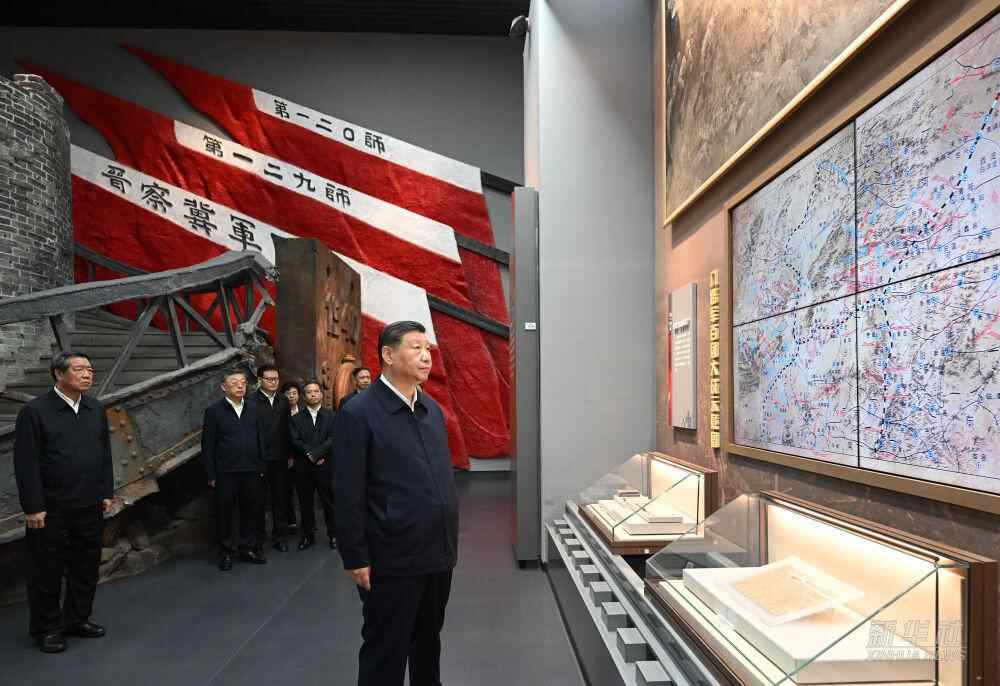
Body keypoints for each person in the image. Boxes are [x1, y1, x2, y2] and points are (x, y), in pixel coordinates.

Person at [334, 321, 458, 686]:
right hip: (391, 557)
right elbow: (348, 490)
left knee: (428, 642)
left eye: (427, 349)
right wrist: (355, 555)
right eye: (415, 348)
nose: (426, 356)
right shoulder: (359, 412)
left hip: (437, 552)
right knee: (386, 648)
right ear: (388, 355)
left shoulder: (431, 410)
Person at [13, 351, 114, 653]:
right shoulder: (35, 411)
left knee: (86, 566)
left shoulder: (95, 408)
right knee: (47, 571)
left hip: (90, 502)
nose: (87, 374)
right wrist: (33, 507)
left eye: (90, 369)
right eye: (79, 369)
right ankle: (47, 628)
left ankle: (77, 619)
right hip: (51, 508)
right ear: (59, 374)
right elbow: (26, 463)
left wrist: (106, 491)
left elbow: (105, 454)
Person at [201, 368, 268, 571]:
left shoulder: (254, 408)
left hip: (252, 469)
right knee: (225, 514)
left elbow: (261, 438)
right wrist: (211, 474)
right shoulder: (214, 412)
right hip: (225, 472)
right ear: (224, 387)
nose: (240, 386)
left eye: (243, 383)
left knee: (250, 511)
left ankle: (247, 548)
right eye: (235, 383)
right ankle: (225, 552)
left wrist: (261, 465)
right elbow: (208, 445)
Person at [289, 380, 337, 550]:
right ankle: (307, 536)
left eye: (316, 391)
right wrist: (311, 454)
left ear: (321, 394)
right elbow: (295, 440)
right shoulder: (295, 419)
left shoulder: (332, 416)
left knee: (329, 502)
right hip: (303, 467)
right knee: (305, 503)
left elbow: (333, 438)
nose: (313, 394)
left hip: (325, 466)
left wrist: (317, 454)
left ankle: (334, 535)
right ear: (304, 396)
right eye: (309, 392)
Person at [252, 364, 292, 553]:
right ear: (260, 380)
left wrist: (289, 454)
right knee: (258, 501)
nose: (274, 382)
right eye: (269, 379)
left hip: (280, 458)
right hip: (259, 458)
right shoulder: (251, 401)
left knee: (280, 499)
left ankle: (280, 537)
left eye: (276, 379)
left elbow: (287, 428)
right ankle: (258, 540)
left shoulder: (283, 400)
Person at [280, 380, 304, 533]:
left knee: (304, 490)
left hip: (303, 457)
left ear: (299, 395)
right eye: (288, 393)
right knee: (287, 490)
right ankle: (291, 520)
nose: (291, 396)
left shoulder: (305, 411)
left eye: (294, 393)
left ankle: (307, 521)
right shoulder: (280, 413)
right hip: (286, 458)